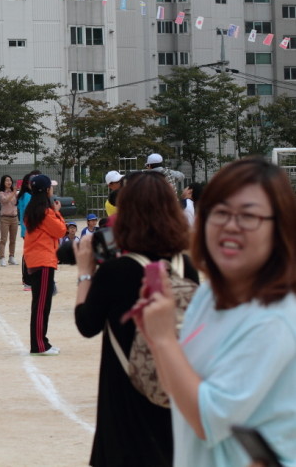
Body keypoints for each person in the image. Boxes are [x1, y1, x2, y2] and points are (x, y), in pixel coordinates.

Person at [136, 157, 296, 466]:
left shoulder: (274, 317)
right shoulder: (211, 293)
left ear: (280, 229)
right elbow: (178, 390)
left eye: (249, 216)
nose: (230, 225)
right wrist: (157, 341)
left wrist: (165, 339)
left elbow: (207, 420)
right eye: (220, 212)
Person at [74, 170, 198, 466]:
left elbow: (87, 324)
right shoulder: (186, 266)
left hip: (125, 401)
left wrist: (85, 272)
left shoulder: (118, 271)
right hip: (174, 393)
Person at [23, 174, 66, 355]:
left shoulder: (33, 210)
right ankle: (39, 345)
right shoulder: (45, 212)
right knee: (41, 305)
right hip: (43, 261)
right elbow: (61, 230)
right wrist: (57, 211)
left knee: (40, 304)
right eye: (51, 187)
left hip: (36, 261)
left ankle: (42, 342)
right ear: (47, 190)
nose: (52, 190)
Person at [0, 175, 19, 267]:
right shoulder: (1, 193)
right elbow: (5, 200)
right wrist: (14, 193)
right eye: (6, 180)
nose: (9, 182)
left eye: (10, 180)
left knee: (13, 239)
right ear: (3, 182)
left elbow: (16, 202)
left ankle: (11, 256)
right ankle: (2, 257)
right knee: (3, 239)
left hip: (14, 217)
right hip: (5, 218)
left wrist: (17, 192)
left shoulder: (15, 193)